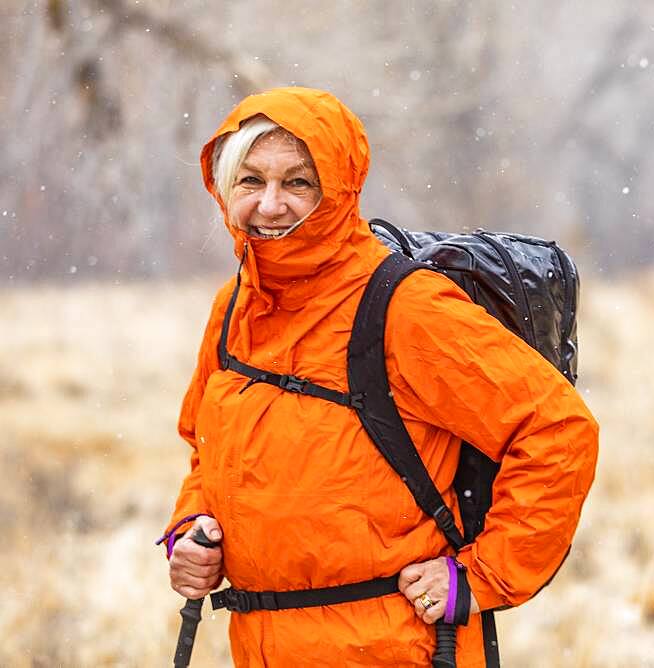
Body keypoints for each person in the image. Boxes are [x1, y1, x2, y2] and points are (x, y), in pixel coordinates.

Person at [158, 86, 599, 667]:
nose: (270, 204)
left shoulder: (404, 308)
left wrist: (482, 574)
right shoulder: (234, 307)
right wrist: (192, 531)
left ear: (338, 191)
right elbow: (208, 451)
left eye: (298, 182)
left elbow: (558, 429)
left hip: (395, 649)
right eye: (250, 180)